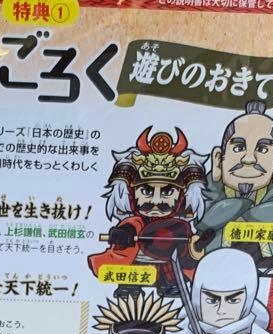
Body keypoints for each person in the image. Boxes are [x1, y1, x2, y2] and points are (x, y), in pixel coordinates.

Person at [88, 127, 207, 299]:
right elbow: (125, 235)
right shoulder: (134, 223)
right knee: (130, 278)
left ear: (181, 196)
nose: (156, 200)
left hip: (167, 270)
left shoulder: (180, 226)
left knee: (173, 274)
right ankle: (129, 286)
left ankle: (170, 285)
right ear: (132, 193)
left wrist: (196, 247)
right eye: (146, 191)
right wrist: (121, 235)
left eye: (167, 192)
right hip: (137, 268)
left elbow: (186, 256)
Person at [197, 100, 273, 277]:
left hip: (261, 241)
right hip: (223, 244)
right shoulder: (211, 182)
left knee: (271, 233)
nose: (249, 159)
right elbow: (206, 218)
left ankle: (266, 265)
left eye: (263, 149)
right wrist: (241, 204)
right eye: (239, 147)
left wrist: (246, 217)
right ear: (219, 159)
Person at [168, 248, 273, 334]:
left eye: (233, 300)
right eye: (212, 300)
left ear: (247, 300)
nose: (221, 310)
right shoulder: (187, 332)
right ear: (198, 298)